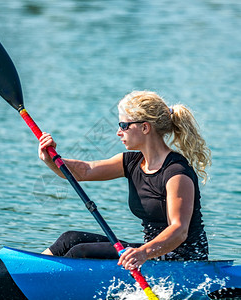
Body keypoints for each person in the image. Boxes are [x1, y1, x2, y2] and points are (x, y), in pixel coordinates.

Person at [38, 91, 211, 271]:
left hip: (183, 262)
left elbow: (179, 231)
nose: (118, 132)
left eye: (124, 125)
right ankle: (30, 272)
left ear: (145, 128)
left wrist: (142, 253)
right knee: (70, 239)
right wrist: (51, 159)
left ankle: (42, 282)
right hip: (151, 253)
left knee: (81, 251)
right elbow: (84, 171)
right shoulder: (131, 162)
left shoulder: (177, 173)